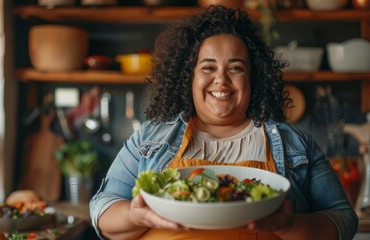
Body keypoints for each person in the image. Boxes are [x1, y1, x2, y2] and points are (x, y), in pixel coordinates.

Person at [89, 5, 358, 240]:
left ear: (254, 78)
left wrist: (289, 225)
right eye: (208, 67)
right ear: (188, 78)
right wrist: (136, 217)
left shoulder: (296, 144)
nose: (222, 80)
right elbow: (103, 209)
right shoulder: (150, 139)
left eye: (236, 68)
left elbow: (343, 221)